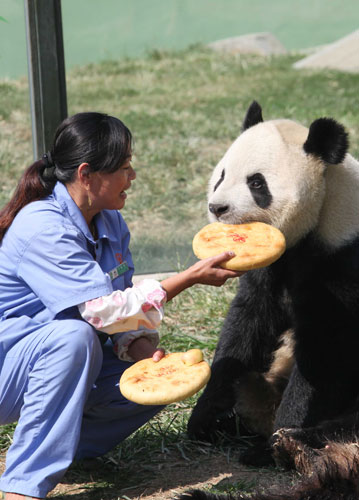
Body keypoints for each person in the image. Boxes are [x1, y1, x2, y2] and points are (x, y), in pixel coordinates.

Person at [0, 112, 242, 500]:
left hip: (58, 363)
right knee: (74, 337)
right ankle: (23, 487)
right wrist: (189, 278)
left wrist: (142, 350)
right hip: (8, 368)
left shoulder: (110, 221)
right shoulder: (41, 226)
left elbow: (120, 311)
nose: (133, 177)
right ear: (86, 174)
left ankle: (64, 449)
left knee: (158, 381)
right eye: (125, 167)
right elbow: (101, 310)